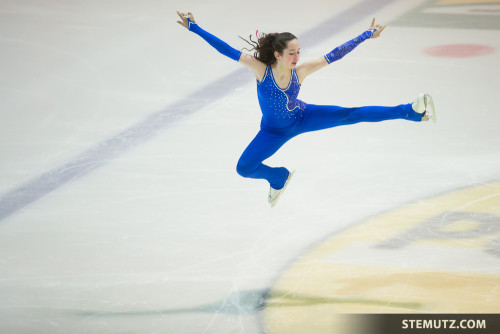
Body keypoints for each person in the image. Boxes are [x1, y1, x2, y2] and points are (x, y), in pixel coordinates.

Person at [176, 11, 435, 207]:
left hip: (303, 117)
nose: (297, 57)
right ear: (277, 54)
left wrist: (366, 35)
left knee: (350, 114)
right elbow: (227, 50)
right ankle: (278, 177)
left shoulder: (301, 71)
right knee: (244, 168)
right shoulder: (260, 70)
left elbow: (335, 54)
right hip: (273, 132)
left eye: (299, 52)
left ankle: (410, 111)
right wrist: (195, 28)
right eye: (291, 53)